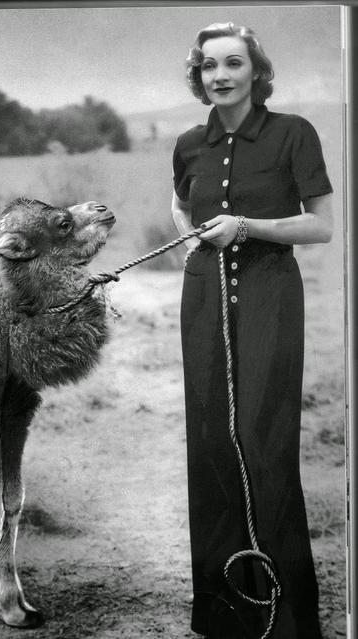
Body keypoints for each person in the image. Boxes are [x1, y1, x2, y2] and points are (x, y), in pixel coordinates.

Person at [171, 22, 333, 639]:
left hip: (269, 295)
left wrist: (245, 225)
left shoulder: (293, 133)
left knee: (263, 444)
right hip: (203, 297)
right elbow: (183, 208)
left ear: (255, 71)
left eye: (233, 63)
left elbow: (319, 227)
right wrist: (194, 235)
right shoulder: (188, 143)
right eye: (209, 66)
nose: (220, 76)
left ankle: (286, 619)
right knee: (211, 445)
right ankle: (223, 617)